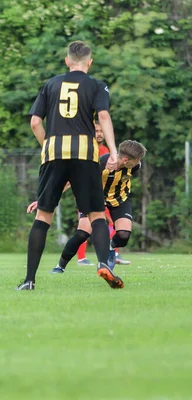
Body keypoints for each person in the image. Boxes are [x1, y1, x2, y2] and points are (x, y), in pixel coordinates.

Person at [17, 40, 123, 290]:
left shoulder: (51, 84)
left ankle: (30, 280)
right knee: (96, 214)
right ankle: (103, 265)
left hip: (54, 153)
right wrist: (114, 151)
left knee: (43, 216)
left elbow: (34, 122)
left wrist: (47, 145)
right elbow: (104, 116)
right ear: (90, 61)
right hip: (85, 154)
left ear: (67, 61)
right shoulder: (97, 85)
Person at [28, 140, 146, 274]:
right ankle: (60, 266)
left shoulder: (136, 166)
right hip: (95, 200)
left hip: (120, 200)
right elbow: (69, 183)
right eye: (136, 160)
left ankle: (111, 247)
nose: (138, 163)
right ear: (125, 160)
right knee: (82, 234)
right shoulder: (100, 164)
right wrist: (43, 200)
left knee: (123, 235)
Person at [77, 122, 132, 266]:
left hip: (107, 196)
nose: (100, 133)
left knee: (115, 224)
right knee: (85, 228)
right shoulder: (85, 150)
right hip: (90, 195)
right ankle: (81, 258)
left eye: (102, 130)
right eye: (96, 130)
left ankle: (113, 254)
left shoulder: (106, 150)